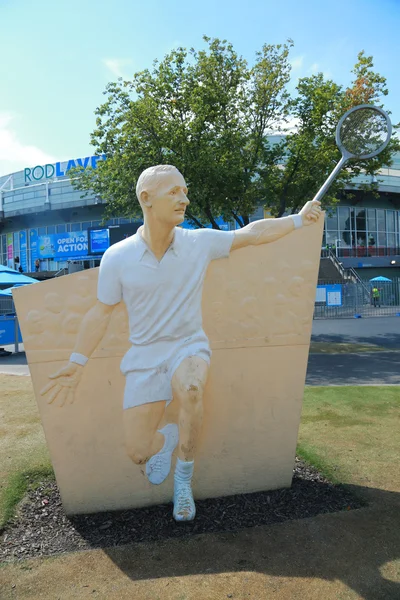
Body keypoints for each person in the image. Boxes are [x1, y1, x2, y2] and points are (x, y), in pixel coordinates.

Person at [40, 164, 322, 522]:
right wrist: (77, 362)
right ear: (146, 199)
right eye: (174, 192)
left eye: (184, 191)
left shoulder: (199, 243)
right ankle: (164, 439)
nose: (184, 199)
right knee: (137, 452)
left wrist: (297, 220)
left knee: (190, 389)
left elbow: (252, 233)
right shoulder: (118, 257)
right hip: (144, 357)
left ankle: (183, 483)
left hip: (189, 347)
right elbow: (100, 312)